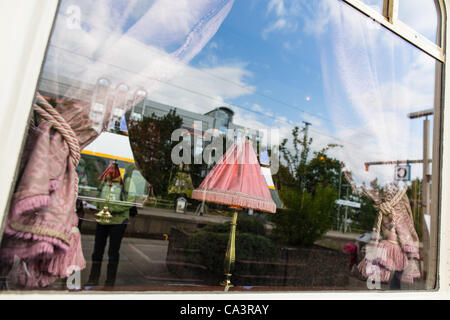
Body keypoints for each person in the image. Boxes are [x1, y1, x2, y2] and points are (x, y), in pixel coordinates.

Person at [86, 182, 137, 288]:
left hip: (118, 221)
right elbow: (99, 195)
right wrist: (95, 205)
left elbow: (129, 201)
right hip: (103, 219)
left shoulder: (127, 181)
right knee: (97, 251)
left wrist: (112, 209)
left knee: (113, 253)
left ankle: (109, 283)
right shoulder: (106, 179)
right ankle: (93, 279)